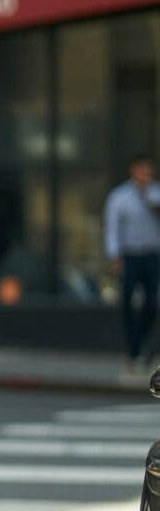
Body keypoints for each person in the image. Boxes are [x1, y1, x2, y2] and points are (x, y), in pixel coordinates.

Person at [104, 155, 160, 370]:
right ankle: (133, 349)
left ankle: (142, 345)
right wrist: (114, 254)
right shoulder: (120, 197)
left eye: (149, 170)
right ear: (133, 170)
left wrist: (149, 200)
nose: (146, 174)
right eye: (142, 170)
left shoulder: (156, 192)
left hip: (152, 255)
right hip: (130, 256)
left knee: (151, 304)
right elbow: (112, 228)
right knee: (127, 302)